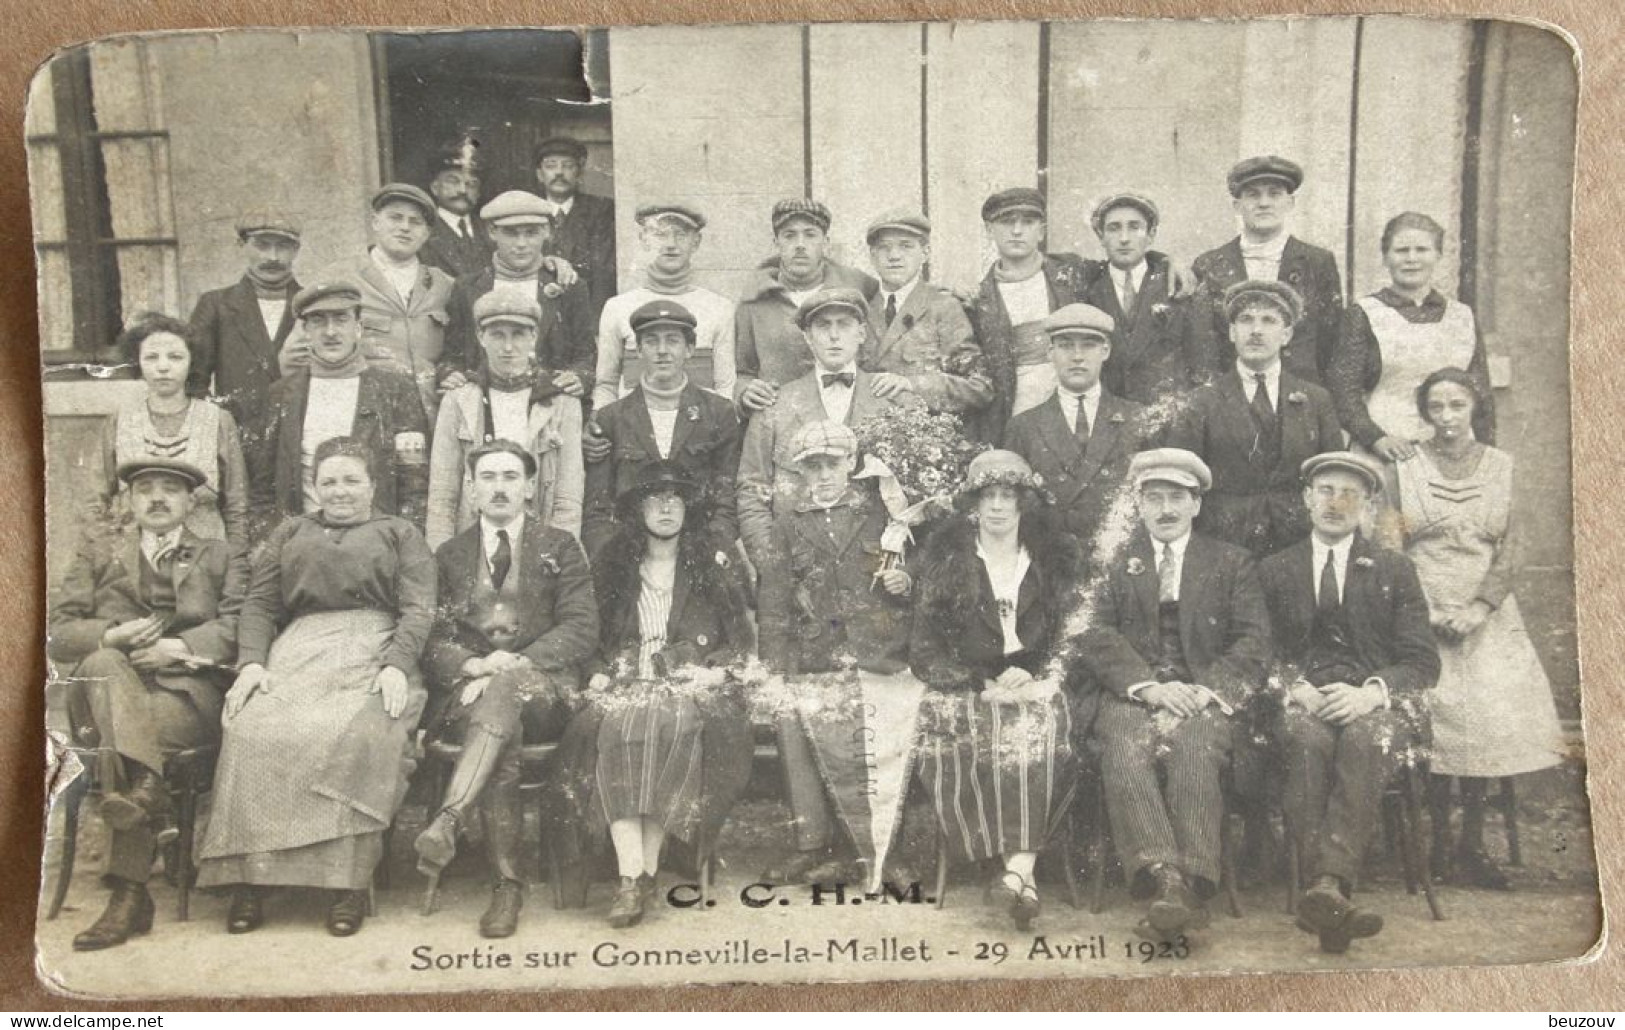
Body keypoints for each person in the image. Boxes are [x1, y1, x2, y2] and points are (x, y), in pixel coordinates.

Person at [196, 436, 436, 938]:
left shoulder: (400, 532)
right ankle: (252, 881)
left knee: (355, 734)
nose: (340, 490)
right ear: (313, 486)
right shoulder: (290, 532)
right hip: (299, 650)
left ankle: (345, 886)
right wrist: (252, 664)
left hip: (375, 648)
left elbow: (418, 608)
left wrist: (396, 665)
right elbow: (260, 604)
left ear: (372, 484)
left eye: (352, 479)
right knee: (252, 729)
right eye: (329, 481)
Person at [48, 458, 247, 951]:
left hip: (183, 695)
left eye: (170, 490)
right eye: (146, 490)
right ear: (130, 502)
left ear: (189, 503)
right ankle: (149, 796)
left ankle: (129, 894)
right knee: (104, 662)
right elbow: (57, 633)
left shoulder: (219, 556)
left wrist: (177, 647)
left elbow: (240, 624)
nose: (157, 498)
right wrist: (111, 635)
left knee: (126, 743)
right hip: (102, 693)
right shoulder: (100, 553)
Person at [1078, 448, 1271, 943]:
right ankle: (1165, 877)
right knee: (1124, 746)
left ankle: (1192, 882)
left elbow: (1253, 642)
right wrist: (1149, 687)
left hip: (1200, 696)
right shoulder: (1113, 560)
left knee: (1195, 748)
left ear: (1196, 505)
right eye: (1155, 498)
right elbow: (1095, 633)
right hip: (1135, 693)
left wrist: (1204, 690)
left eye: (1177, 498)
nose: (1165, 509)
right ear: (1139, 505)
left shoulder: (1231, 562)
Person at [1380, 369, 1563, 888]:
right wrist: (1424, 611)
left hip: (1486, 614)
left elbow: (1515, 547)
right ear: (1424, 412)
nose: (1446, 418)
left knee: (1484, 714)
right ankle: (1436, 844)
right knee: (1435, 718)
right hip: (1421, 608)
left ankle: (1471, 844)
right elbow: (1390, 545)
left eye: (1456, 405)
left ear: (1474, 408)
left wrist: (1480, 607)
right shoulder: (1406, 466)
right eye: (1435, 407)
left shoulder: (1502, 466)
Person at [551, 461, 753, 928]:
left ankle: (638, 874)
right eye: (654, 498)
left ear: (688, 508)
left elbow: (740, 643)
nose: (665, 506)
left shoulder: (713, 561)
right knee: (625, 727)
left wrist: (710, 673)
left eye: (675, 497)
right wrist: (600, 673)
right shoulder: (613, 563)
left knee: (669, 725)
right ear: (637, 510)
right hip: (627, 685)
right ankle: (634, 875)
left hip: (690, 690)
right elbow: (589, 639)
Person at [413, 439, 598, 938]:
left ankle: (451, 820)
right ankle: (506, 886)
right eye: (489, 477)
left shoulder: (561, 546)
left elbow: (581, 628)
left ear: (530, 488)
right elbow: (434, 638)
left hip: (545, 692)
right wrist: (473, 664)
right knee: (503, 732)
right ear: (472, 489)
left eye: (510, 477)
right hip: (474, 694)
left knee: (508, 694)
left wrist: (514, 663)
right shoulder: (449, 555)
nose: (499, 487)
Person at [1258, 451, 1440, 955]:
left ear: (1368, 506)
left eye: (1349, 494)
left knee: (1366, 739)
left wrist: (1368, 695)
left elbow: (1422, 661)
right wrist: (1297, 690)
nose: (1335, 503)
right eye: (1325, 491)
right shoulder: (1274, 569)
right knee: (1303, 739)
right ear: (1305, 499)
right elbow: (1260, 650)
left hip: (1373, 706)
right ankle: (1331, 895)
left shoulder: (1394, 569)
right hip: (1304, 701)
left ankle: (1326, 886)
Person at [910, 450, 1084, 930]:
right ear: (973, 505)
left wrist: (1036, 675)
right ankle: (1019, 873)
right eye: (988, 496)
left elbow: (1077, 635)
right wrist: (979, 683)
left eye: (1009, 496)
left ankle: (1017, 871)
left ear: (1024, 504)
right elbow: (924, 650)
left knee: (1038, 729)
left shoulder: (1054, 560)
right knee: (971, 729)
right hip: (968, 685)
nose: (998, 507)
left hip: (1034, 682)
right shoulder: (945, 560)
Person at [756, 421, 919, 887]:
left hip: (881, 654)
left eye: (832, 463)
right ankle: (812, 845)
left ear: (851, 463)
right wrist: (775, 673)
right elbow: (773, 602)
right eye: (813, 467)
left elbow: (920, 572)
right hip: (816, 658)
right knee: (793, 723)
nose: (824, 475)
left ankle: (890, 849)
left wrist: (905, 582)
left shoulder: (885, 514)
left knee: (884, 733)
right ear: (800, 473)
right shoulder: (786, 525)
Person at [736, 288, 921, 568]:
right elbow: (752, 491)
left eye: (844, 325)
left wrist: (896, 568)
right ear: (808, 338)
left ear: (861, 334)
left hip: (875, 573)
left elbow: (917, 497)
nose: (834, 336)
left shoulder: (894, 403)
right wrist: (774, 568)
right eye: (823, 326)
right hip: (798, 568)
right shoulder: (774, 407)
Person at [1169, 281, 1342, 556]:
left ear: (1286, 334)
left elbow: (1334, 479)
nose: (1256, 330)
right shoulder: (1201, 402)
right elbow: (1183, 483)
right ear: (1231, 332)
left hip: (1297, 547)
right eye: (1246, 320)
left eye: (1269, 321)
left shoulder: (1316, 400)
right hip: (1224, 547)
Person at [249, 280, 430, 537]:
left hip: (376, 545)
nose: (330, 332)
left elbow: (414, 484)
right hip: (302, 544)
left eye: (341, 319)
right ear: (305, 330)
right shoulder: (281, 396)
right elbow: (261, 488)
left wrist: (401, 544)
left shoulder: (396, 391)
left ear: (358, 327)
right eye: (318, 321)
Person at [1328, 212, 1496, 462]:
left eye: (1422, 249)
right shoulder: (1363, 313)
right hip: (1386, 447)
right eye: (1401, 250)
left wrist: (1486, 454)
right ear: (1386, 258)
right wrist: (1375, 438)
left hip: (1454, 448)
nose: (1412, 259)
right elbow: (1343, 392)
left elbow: (1480, 393)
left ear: (1438, 255)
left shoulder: (1462, 316)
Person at [426, 291, 584, 551]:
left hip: (539, 543)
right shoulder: (459, 400)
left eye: (519, 334)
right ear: (480, 337)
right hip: (472, 544)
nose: (508, 347)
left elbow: (567, 499)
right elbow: (442, 497)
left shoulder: (561, 403)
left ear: (534, 336)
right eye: (497, 335)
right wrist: (442, 561)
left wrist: (557, 559)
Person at [582, 300, 740, 559]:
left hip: (700, 554)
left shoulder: (718, 412)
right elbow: (597, 511)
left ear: (690, 349)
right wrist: (612, 561)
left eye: (673, 341)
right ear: (639, 350)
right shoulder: (612, 418)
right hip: (628, 556)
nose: (662, 351)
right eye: (652, 341)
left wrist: (711, 554)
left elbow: (726, 501)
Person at [284, 184, 455, 417]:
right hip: (364, 417)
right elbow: (295, 357)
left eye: (415, 222)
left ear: (426, 233)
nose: (405, 227)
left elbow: (457, 353)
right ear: (375, 222)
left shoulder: (443, 284)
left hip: (430, 416)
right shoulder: (339, 277)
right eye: (395, 218)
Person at [1001, 303, 1151, 550]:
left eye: (1089, 345)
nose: (1077, 356)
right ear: (1049, 352)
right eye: (1066, 345)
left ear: (1106, 350)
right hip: (1049, 560)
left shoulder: (1136, 419)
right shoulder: (1023, 427)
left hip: (1119, 557)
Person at [969, 187, 1112, 442]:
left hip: (1075, 395)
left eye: (1028, 222)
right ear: (989, 230)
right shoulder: (979, 299)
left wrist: (1165, 264)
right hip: (1019, 405)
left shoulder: (1072, 272)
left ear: (1042, 230)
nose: (1017, 231)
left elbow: (1124, 269)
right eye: (1006, 222)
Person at [101, 313, 250, 549]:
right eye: (151, 357)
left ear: (192, 362)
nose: (163, 367)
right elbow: (97, 501)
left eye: (175, 357)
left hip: (205, 556)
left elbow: (236, 505)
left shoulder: (218, 420)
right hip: (134, 556)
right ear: (137, 362)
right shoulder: (119, 420)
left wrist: (235, 568)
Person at [1191, 156, 1343, 385]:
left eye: (1274, 194)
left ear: (1290, 203)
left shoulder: (1317, 262)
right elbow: (1203, 348)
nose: (1264, 203)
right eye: (1253, 194)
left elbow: (1331, 341)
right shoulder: (1210, 265)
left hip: (1301, 397)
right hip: (1230, 399)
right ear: (1237, 205)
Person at [439, 190, 595, 401]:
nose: (521, 244)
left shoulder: (568, 286)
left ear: (546, 231)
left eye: (531, 233)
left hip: (550, 403)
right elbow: (452, 354)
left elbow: (585, 354)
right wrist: (449, 374)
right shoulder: (467, 287)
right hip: (485, 404)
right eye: (511, 233)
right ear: (492, 232)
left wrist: (580, 377)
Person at [733, 199, 878, 417]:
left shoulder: (858, 289)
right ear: (776, 242)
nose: (800, 244)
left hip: (845, 417)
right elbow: (743, 371)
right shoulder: (754, 302)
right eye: (789, 235)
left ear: (825, 242)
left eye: (810, 235)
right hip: (782, 420)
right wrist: (745, 392)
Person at [591, 203, 736, 409]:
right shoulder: (617, 307)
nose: (671, 244)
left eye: (680, 235)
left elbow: (725, 386)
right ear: (644, 240)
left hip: (699, 430)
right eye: (660, 234)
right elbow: (606, 385)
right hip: (635, 429)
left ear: (696, 242)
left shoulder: (719, 307)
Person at [1083, 192, 1216, 408]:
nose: (1124, 238)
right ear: (1101, 237)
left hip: (1167, 418)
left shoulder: (1181, 285)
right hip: (1108, 421)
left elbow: (1203, 366)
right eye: (1114, 228)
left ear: (1151, 235)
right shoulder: (1088, 286)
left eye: (1134, 227)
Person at [860, 209, 993, 417]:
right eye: (884, 247)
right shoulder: (861, 311)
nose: (894, 256)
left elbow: (980, 388)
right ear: (873, 257)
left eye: (906, 246)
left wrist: (914, 384)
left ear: (925, 253)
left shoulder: (943, 307)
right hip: (869, 429)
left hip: (932, 435)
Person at [187, 209, 303, 425]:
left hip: (297, 434)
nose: (273, 257)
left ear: (296, 250)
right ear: (241, 246)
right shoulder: (216, 305)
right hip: (239, 436)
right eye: (262, 245)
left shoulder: (311, 307)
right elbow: (194, 383)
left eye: (283, 246)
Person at [534, 135, 617, 321]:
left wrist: (596, 323)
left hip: (584, 312)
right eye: (551, 165)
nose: (559, 173)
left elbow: (603, 271)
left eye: (568, 166)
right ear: (539, 174)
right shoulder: (529, 210)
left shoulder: (600, 211)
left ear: (579, 174)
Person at [418, 137, 492, 281]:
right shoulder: (422, 232)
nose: (463, 190)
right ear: (435, 187)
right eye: (453, 181)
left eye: (471, 184)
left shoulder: (491, 230)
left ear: (479, 193)